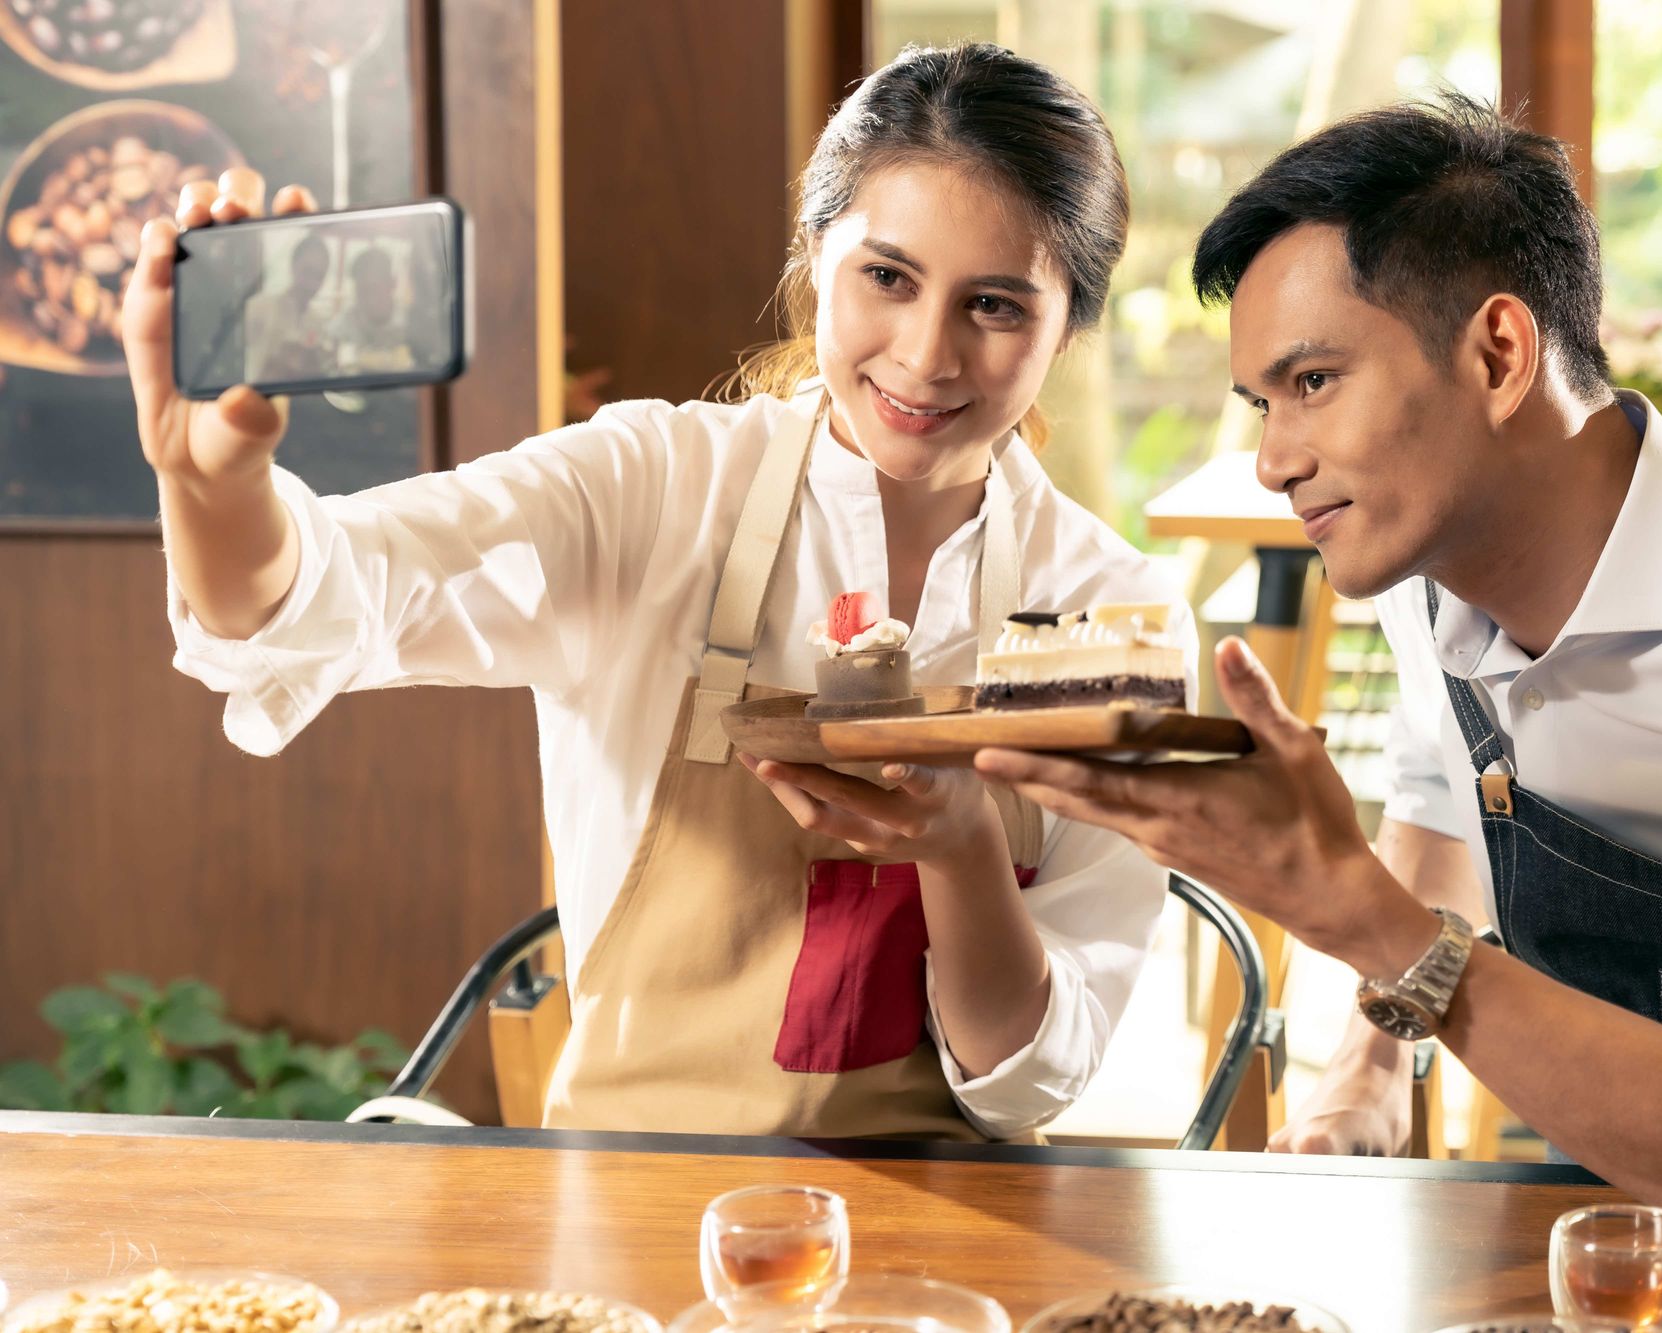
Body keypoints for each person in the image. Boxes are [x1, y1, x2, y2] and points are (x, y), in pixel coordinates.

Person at [977, 93, 1662, 1271]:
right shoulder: (1427, 584)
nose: (1271, 461)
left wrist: (1351, 911)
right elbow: (1435, 800)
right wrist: (1365, 1076)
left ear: (1498, 354)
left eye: (1313, 381)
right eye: (1261, 403)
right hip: (1611, 1223)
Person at [122, 43, 1195, 1142]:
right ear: (815, 256)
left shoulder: (1106, 616)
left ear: (1070, 323)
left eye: (995, 306)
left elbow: (1028, 1084)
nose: (926, 355)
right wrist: (212, 483)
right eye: (887, 278)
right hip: (633, 1197)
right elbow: (314, 601)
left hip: (951, 1217)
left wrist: (960, 845)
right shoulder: (650, 488)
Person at [242, 232, 332, 382]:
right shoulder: (259, 307)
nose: (311, 283)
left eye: (319, 276)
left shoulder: (317, 323)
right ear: (293, 265)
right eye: (307, 271)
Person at [328, 248, 413, 373]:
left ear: (392, 283)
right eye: (362, 291)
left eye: (374, 288)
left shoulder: (412, 323)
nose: (369, 300)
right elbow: (331, 357)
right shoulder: (345, 324)